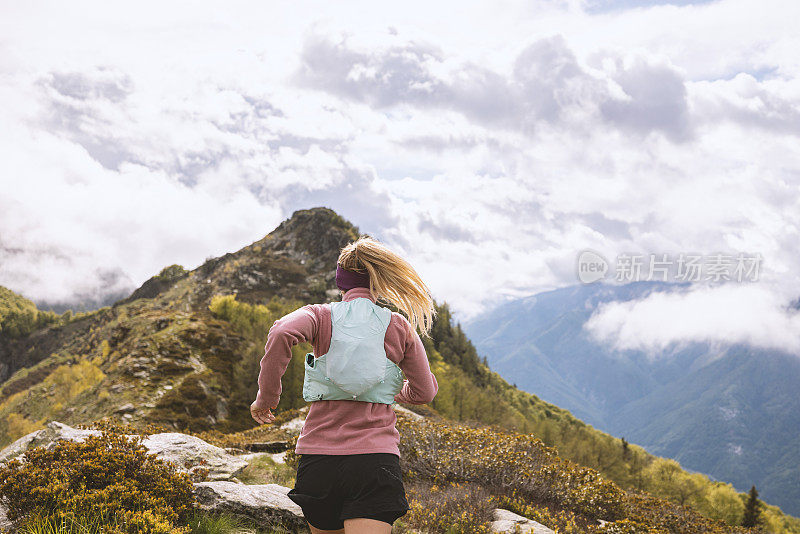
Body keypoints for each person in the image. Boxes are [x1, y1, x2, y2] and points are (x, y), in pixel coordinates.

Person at [250, 235, 439, 534]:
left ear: (341, 282)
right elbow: (424, 392)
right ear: (378, 282)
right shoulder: (398, 325)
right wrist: (391, 390)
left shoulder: (318, 315)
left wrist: (267, 397)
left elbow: (282, 332)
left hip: (319, 460)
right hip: (374, 461)